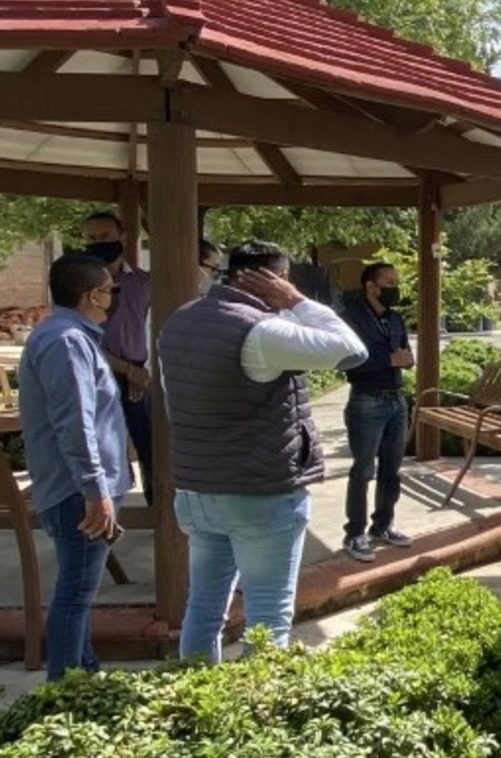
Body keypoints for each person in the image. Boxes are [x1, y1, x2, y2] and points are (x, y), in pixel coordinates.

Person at [158, 239, 367, 663]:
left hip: (197, 490)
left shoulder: (179, 322)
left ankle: (193, 690)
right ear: (277, 279)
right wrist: (297, 301)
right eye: (285, 280)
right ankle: (257, 700)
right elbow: (352, 350)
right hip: (259, 493)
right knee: (268, 615)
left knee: (204, 606)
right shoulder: (262, 331)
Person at [17, 251, 131, 680]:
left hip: (77, 487)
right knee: (75, 593)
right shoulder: (66, 341)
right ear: (92, 295)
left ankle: (85, 675)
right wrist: (95, 490)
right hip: (76, 491)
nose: (113, 297)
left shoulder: (67, 336)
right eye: (110, 289)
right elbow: (74, 422)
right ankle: (65, 689)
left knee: (78, 589)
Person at [338, 261, 415, 561]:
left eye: (396, 282)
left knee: (391, 469)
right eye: (389, 283)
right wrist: (388, 360)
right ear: (370, 286)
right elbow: (346, 361)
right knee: (363, 470)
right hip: (367, 401)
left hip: (396, 400)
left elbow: (406, 354)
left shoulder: (395, 318)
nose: (395, 288)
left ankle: (383, 525)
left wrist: (405, 359)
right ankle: (354, 533)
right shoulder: (350, 319)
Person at [81, 209, 153, 499]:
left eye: (105, 236)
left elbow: (156, 328)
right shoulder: (78, 286)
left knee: (150, 446)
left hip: (140, 378)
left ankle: (158, 509)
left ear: (122, 237)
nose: (98, 243)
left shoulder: (144, 283)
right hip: (97, 376)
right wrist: (127, 370)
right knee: (105, 453)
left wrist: (142, 372)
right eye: (91, 238)